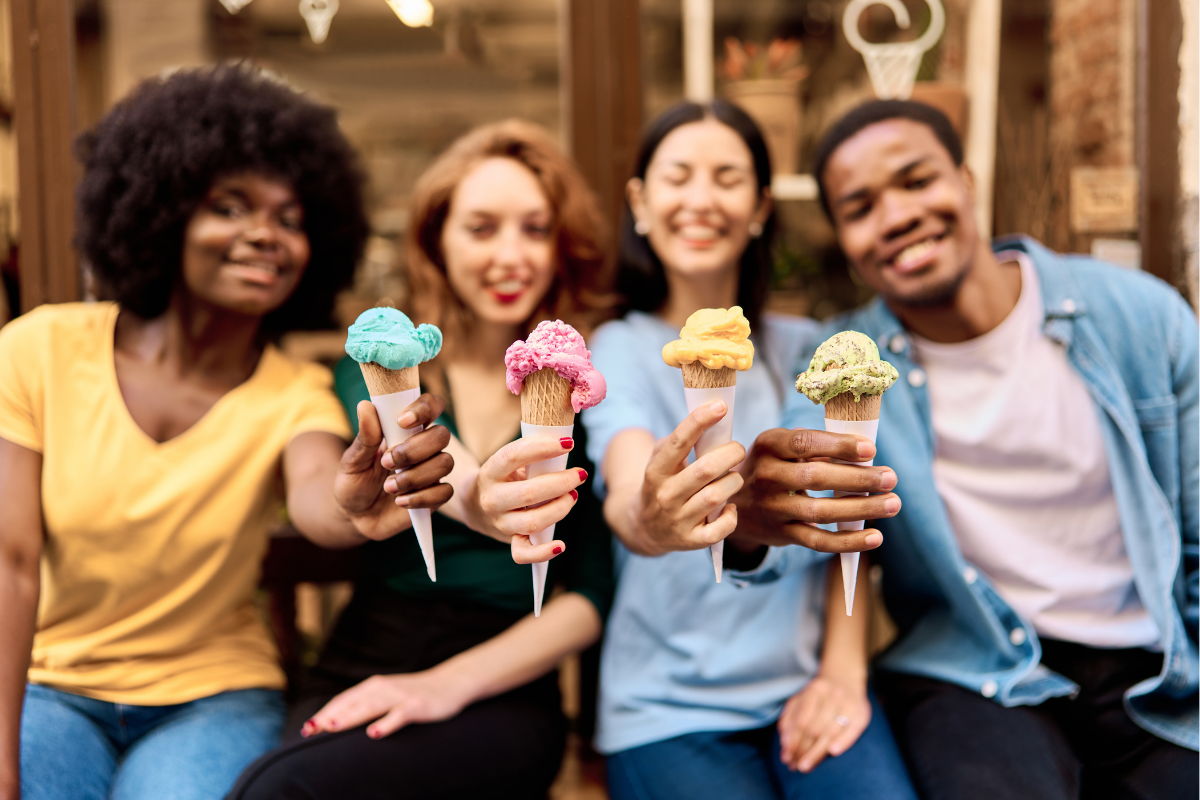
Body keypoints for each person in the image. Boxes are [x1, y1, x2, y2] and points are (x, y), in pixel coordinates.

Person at [0, 66, 455, 800]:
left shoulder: (292, 390)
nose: (264, 235)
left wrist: (355, 502)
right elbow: (10, 564)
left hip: (211, 700)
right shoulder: (38, 350)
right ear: (162, 210)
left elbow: (317, 489)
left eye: (290, 218)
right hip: (50, 689)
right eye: (230, 206)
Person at [749, 99, 1198, 799]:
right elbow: (802, 523)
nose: (895, 216)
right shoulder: (846, 363)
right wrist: (749, 521)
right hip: (975, 669)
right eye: (860, 207)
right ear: (843, 238)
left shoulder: (1140, 318)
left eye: (917, 180)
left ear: (966, 179)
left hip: (1154, 668)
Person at [229, 119, 614, 799]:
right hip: (365, 652)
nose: (511, 254)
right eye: (481, 227)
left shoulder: (583, 381)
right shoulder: (381, 354)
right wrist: (481, 502)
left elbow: (586, 598)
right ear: (436, 240)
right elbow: (430, 450)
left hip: (505, 681)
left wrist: (443, 686)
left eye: (534, 228)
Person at [580, 99, 916, 800]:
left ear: (761, 206)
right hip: (667, 708)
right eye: (678, 177)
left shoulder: (809, 348)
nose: (701, 199)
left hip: (806, 687)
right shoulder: (620, 348)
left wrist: (843, 673)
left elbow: (847, 520)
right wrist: (659, 513)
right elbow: (631, 495)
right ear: (640, 201)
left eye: (727, 178)